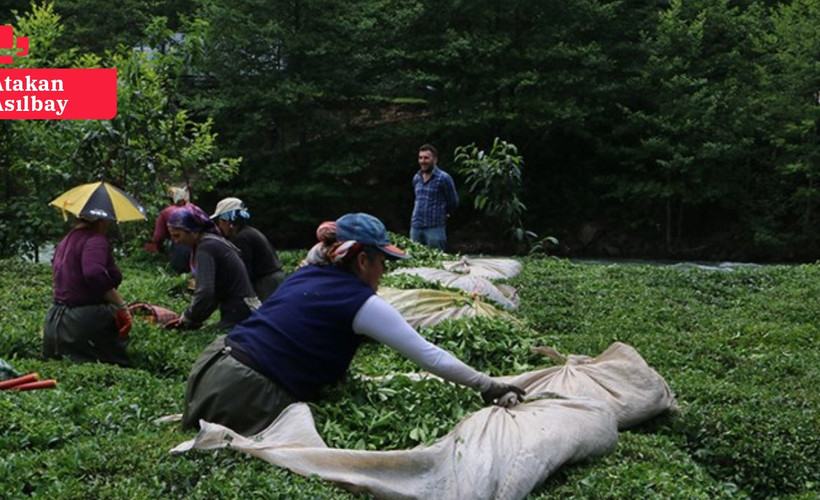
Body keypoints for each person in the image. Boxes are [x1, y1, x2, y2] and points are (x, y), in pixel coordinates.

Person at [181, 212, 525, 435]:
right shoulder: (361, 302)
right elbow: (429, 355)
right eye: (382, 262)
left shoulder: (306, 274)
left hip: (210, 368)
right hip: (245, 392)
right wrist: (488, 385)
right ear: (363, 260)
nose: (384, 272)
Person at [42, 216, 133, 366]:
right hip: (83, 323)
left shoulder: (65, 240)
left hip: (54, 324)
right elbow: (94, 273)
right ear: (102, 220)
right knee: (116, 368)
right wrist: (121, 305)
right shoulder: (95, 240)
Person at [165, 205, 261, 330]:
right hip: (243, 309)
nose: (175, 241)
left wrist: (188, 317)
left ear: (192, 231)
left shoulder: (206, 247)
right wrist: (196, 318)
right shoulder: (212, 242)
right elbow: (213, 294)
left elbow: (205, 291)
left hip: (238, 312)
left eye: (177, 235)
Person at [210, 197, 285, 301]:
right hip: (273, 280)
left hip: (266, 283)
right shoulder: (250, 232)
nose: (219, 226)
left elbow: (244, 272)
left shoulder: (242, 238)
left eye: (220, 221)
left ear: (228, 221)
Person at [410, 143, 459, 251]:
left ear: (435, 160)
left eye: (426, 158)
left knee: (436, 262)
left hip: (435, 227)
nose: (423, 161)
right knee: (414, 262)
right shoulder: (416, 178)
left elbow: (453, 201)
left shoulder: (444, 178)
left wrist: (445, 215)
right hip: (416, 227)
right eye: (420, 158)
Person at [151, 186, 193, 274]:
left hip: (180, 247)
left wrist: (159, 249)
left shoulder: (166, 212)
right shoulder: (193, 209)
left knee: (180, 275)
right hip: (198, 245)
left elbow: (158, 236)